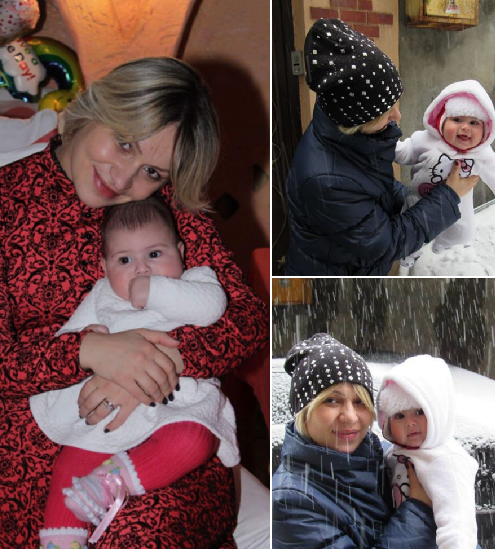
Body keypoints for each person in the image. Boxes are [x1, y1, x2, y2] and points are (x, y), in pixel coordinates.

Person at [0, 56, 268, 549]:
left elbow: (247, 319)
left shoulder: (167, 210)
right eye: (124, 143)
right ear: (98, 105)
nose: (123, 179)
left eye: (151, 171)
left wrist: (150, 366)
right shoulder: (6, 201)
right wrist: (87, 352)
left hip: (162, 436)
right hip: (34, 445)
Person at [30, 196, 240, 548]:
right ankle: (60, 542)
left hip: (177, 403)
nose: (141, 269)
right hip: (115, 410)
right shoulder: (102, 294)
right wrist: (88, 339)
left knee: (194, 441)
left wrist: (155, 291)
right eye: (124, 260)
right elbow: (66, 338)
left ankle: (110, 483)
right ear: (104, 267)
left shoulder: (197, 280)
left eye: (154, 254)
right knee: (69, 462)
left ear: (181, 252)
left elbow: (212, 308)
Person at [284, 18, 479, 276]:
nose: (397, 115)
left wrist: (422, 194)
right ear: (358, 121)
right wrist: (447, 197)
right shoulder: (325, 182)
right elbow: (387, 244)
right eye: (386, 112)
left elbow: (376, 190)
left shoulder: (345, 132)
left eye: (395, 103)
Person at [272, 333, 438, 549]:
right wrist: (418, 511)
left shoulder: (386, 457)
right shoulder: (290, 501)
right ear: (304, 411)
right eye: (332, 400)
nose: (350, 417)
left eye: (360, 402)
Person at [396, 79, 495, 267]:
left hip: (457, 207)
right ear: (442, 121)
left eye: (474, 122)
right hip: (417, 200)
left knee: (462, 232)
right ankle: (408, 256)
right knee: (410, 231)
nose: (465, 127)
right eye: (457, 120)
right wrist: (388, 146)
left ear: (485, 130)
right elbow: (405, 153)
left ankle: (443, 244)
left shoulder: (482, 156)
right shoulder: (425, 140)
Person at [377, 355, 479, 549]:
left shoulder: (445, 460)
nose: (410, 422)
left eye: (419, 412)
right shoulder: (392, 454)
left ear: (438, 411)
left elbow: (458, 524)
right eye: (399, 415)